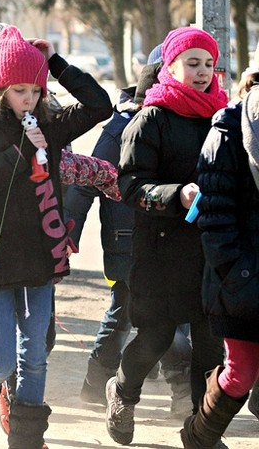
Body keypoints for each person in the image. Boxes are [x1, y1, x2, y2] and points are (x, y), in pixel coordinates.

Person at [0, 25, 112, 448]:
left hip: (39, 254)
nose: (29, 100)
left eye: (35, 91)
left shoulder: (46, 121)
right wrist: (19, 152)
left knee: (34, 357)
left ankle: (27, 442)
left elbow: (100, 105)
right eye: (20, 90)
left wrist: (53, 63)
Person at [105, 26, 228, 446]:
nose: (201, 72)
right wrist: (179, 194)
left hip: (211, 251)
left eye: (208, 64)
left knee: (211, 348)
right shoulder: (150, 118)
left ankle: (201, 431)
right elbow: (131, 186)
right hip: (159, 251)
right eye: (192, 63)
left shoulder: (222, 115)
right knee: (155, 338)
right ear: (170, 67)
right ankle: (122, 391)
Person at [66, 49, 194, 419]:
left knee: (174, 314)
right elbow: (87, 181)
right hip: (127, 239)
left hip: (173, 236)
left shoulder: (188, 122)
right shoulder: (123, 125)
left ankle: (181, 391)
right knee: (124, 312)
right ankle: (96, 383)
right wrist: (68, 227)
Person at [180, 63, 259, 448]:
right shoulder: (229, 127)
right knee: (240, 374)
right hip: (242, 279)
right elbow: (214, 214)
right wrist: (237, 272)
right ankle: (198, 437)